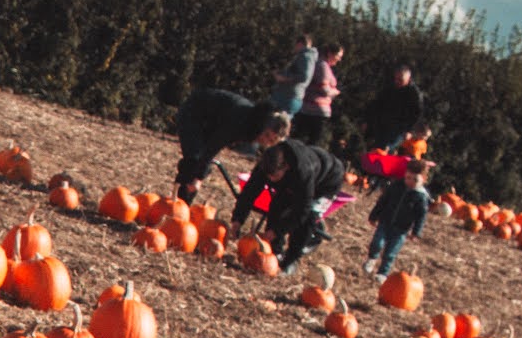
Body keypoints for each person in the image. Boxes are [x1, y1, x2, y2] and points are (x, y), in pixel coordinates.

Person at [233, 137, 348, 275]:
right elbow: (249, 192)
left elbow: (302, 210)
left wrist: (277, 231)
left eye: (274, 176)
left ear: (286, 166)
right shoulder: (267, 164)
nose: (270, 179)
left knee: (308, 218)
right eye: (267, 176)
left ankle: (290, 261)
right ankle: (275, 252)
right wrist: (237, 219)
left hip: (327, 181)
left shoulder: (303, 171)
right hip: (292, 182)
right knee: (276, 206)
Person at [173, 88, 291, 201]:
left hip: (210, 123)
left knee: (198, 165)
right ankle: (176, 204)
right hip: (193, 112)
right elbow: (213, 146)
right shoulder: (241, 120)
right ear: (264, 126)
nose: (266, 142)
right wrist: (198, 177)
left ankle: (180, 203)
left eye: (271, 141)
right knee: (193, 160)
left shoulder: (252, 125)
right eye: (267, 136)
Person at [364, 159, 432, 276]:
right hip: (385, 222)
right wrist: (374, 215)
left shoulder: (421, 197)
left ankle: (382, 273)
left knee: (390, 253)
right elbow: (383, 201)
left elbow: (421, 216)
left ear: (424, 180)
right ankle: (372, 259)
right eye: (408, 178)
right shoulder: (396, 186)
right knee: (377, 243)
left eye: (415, 180)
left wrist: (416, 232)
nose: (410, 182)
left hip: (401, 230)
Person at [363, 63, 427, 155]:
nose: (397, 82)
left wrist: (410, 131)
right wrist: (368, 120)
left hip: (400, 128)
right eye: (396, 79)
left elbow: (417, 114)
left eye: (401, 80)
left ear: (408, 79)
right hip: (383, 123)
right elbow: (377, 104)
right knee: (376, 147)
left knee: (386, 148)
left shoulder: (414, 94)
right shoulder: (390, 87)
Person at [291, 43, 345, 146]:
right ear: (330, 54)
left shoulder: (322, 65)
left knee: (301, 138)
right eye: (338, 56)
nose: (339, 59)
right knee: (312, 142)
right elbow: (324, 89)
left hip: (311, 108)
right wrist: (335, 92)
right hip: (315, 111)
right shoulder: (323, 66)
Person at [271, 34, 317, 116]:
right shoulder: (305, 56)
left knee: (277, 123)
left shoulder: (305, 56)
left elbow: (304, 77)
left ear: (299, 44)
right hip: (289, 96)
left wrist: (283, 78)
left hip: (288, 97)